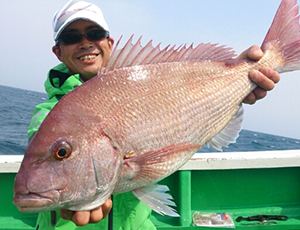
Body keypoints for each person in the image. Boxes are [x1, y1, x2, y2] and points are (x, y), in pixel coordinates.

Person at [27, 0, 280, 229]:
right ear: (58, 51)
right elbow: (41, 147)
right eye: (71, 37)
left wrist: (238, 80)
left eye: (94, 33)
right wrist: (63, 194)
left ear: (109, 43)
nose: (85, 43)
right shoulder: (48, 114)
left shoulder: (142, 75)